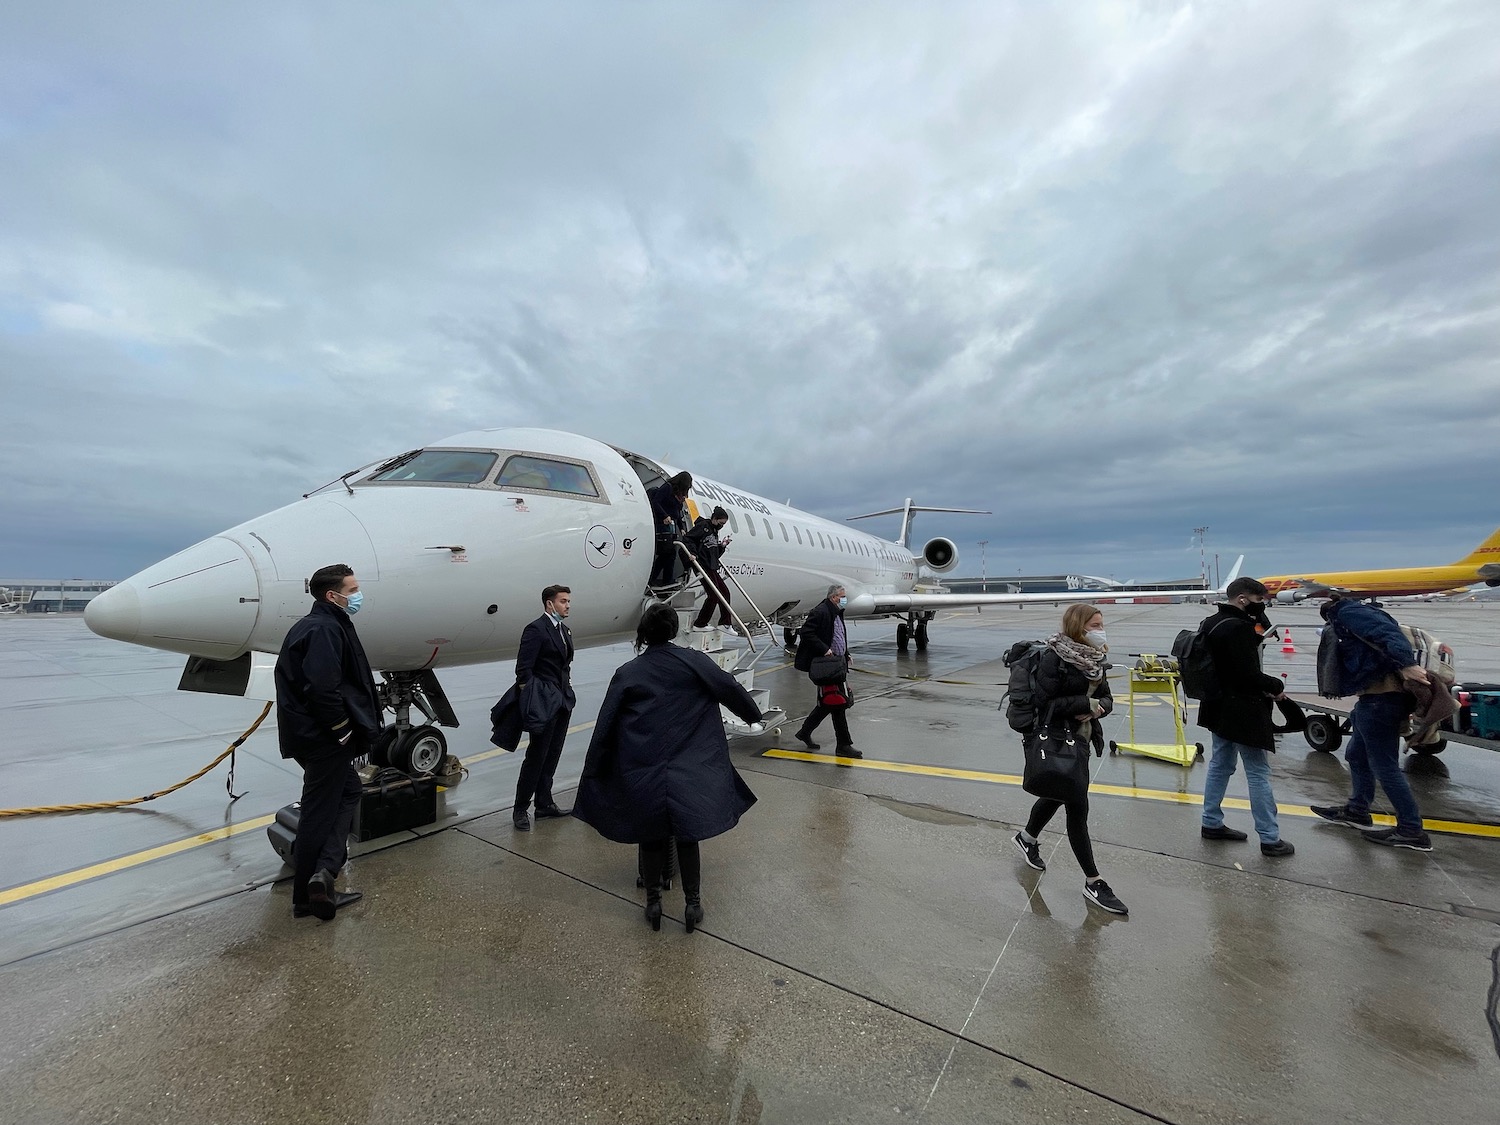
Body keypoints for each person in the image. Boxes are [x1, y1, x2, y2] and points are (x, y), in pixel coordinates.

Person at [573, 603, 763, 931]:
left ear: (644, 633)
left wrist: (593, 770)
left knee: (650, 837)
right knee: (687, 837)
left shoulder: (629, 672)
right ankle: (692, 905)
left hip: (644, 769)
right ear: (674, 630)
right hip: (690, 769)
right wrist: (752, 715)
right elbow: (732, 690)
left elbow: (605, 725)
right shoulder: (696, 663)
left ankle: (653, 904)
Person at [274, 563, 383, 921]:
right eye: (352, 590)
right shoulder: (324, 629)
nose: (358, 595)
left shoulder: (320, 624)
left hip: (313, 736)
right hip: (324, 738)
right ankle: (311, 892)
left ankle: (323, 874)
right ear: (331, 596)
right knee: (319, 813)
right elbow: (323, 688)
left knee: (348, 793)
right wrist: (343, 731)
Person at [1010, 603, 1128, 915]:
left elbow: (1108, 698)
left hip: (1083, 739)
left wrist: (1099, 706)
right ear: (1078, 626)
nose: (1100, 629)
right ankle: (1093, 880)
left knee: (1059, 793)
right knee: (1077, 806)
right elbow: (1045, 702)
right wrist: (1084, 702)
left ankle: (1026, 838)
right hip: (1058, 739)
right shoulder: (1055, 658)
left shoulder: (1095, 658)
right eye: (1095, 624)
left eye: (1101, 623)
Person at [1311, 595, 1433, 850]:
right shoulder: (1353, 612)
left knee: (1384, 767)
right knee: (1356, 755)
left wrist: (1407, 665)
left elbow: (1388, 635)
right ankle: (1357, 811)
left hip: (1381, 700)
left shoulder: (1348, 612)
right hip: (1372, 698)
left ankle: (1411, 830)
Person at [1195, 577, 1296, 857]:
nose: (1261, 605)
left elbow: (1228, 656)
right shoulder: (1238, 628)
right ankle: (1269, 837)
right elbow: (1248, 673)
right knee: (1257, 772)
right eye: (1259, 600)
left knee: (1221, 764)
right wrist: (1275, 686)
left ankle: (1211, 821)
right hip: (1242, 709)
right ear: (1243, 599)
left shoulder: (1212, 623)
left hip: (1216, 706)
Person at [512, 584, 577, 831]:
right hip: (543, 703)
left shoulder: (565, 630)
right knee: (536, 756)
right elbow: (523, 670)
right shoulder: (536, 630)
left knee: (552, 754)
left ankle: (544, 803)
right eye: (563, 601)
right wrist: (534, 698)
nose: (567, 605)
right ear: (549, 604)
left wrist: (567, 692)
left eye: (569, 601)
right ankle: (520, 808)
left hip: (562, 703)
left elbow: (564, 666)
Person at [792, 584, 859, 758]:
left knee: (828, 702)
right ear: (834, 597)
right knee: (837, 703)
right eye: (842, 596)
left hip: (837, 663)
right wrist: (824, 649)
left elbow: (838, 636)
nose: (845, 599)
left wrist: (846, 653)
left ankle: (805, 732)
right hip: (827, 665)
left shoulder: (837, 612)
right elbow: (806, 632)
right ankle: (844, 745)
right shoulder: (821, 611)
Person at [685, 505, 735, 631]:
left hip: (711, 566)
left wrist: (722, 546)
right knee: (713, 595)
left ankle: (725, 623)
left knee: (724, 592)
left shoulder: (714, 532)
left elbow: (715, 554)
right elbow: (688, 539)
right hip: (702, 565)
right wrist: (693, 553)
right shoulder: (703, 527)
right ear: (714, 519)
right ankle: (700, 624)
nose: (721, 526)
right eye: (721, 522)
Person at [648, 471, 694, 588]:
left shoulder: (678, 495)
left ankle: (664, 579)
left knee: (669, 554)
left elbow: (677, 513)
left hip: (671, 528)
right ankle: (659, 579)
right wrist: (664, 515)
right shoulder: (667, 488)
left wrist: (681, 528)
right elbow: (655, 502)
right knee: (667, 553)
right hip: (663, 526)